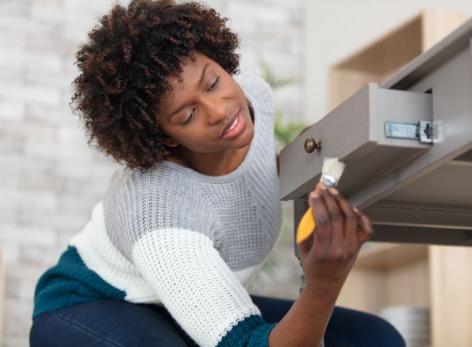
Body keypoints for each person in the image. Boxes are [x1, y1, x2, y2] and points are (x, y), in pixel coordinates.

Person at [29, 1, 405, 346]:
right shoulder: (158, 217)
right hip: (90, 305)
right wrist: (322, 286)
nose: (220, 110)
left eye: (213, 82)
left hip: (175, 302)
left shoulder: (253, 98)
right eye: (188, 115)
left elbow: (244, 182)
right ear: (163, 138)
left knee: (374, 338)